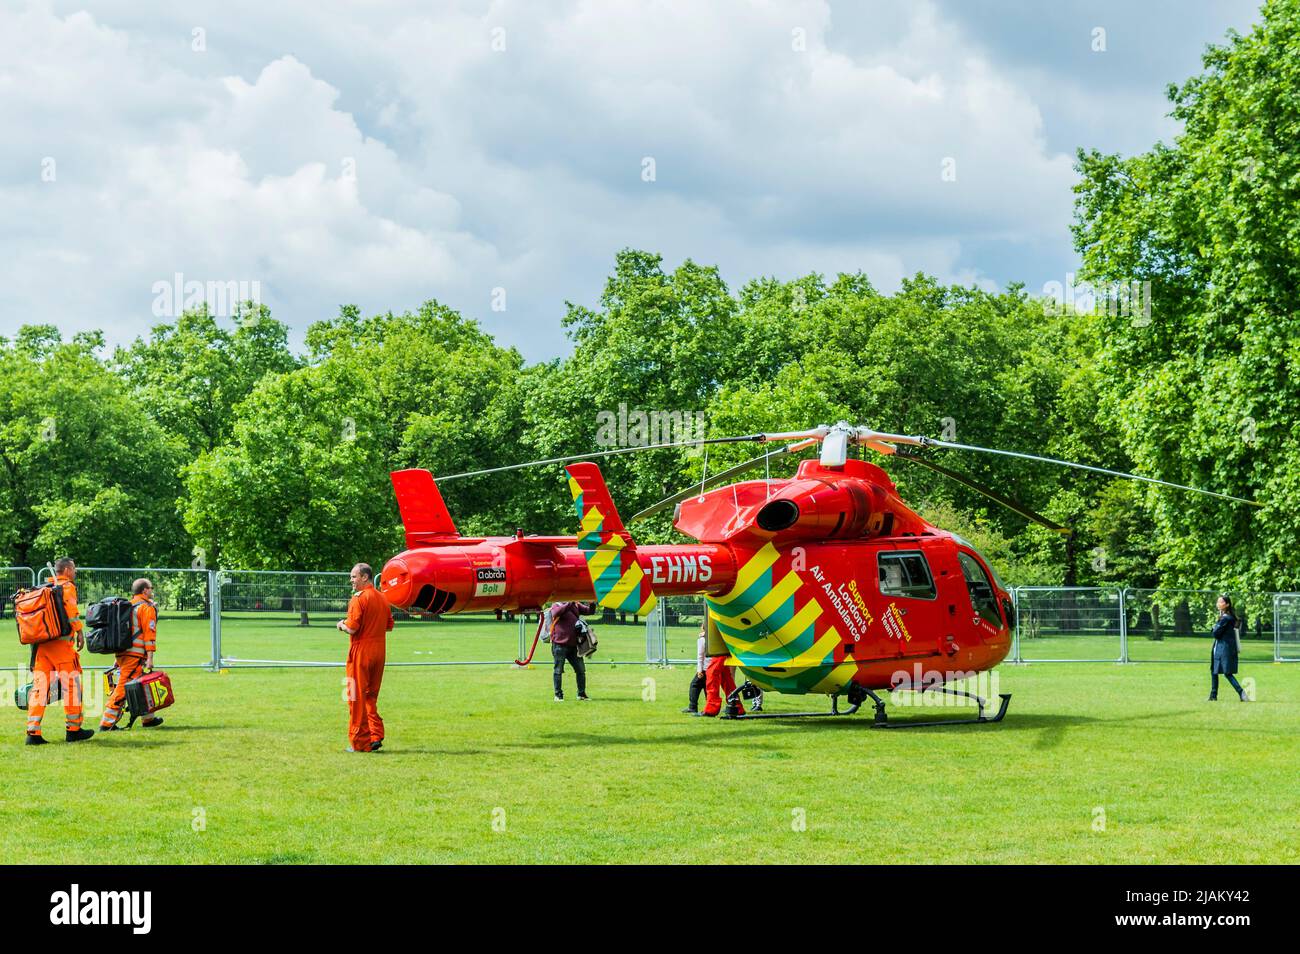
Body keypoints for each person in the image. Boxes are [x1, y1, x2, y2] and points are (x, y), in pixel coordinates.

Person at [26, 557, 94, 744]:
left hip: (42, 646)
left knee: (39, 689)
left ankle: (33, 733)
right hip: (62, 646)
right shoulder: (67, 587)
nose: (76, 572)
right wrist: (80, 631)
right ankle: (73, 730)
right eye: (74, 568)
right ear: (66, 569)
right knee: (71, 686)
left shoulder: (44, 588)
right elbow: (71, 612)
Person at [336, 563, 393, 752]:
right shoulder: (383, 598)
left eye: (354, 577)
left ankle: (360, 742)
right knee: (370, 696)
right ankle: (375, 735)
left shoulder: (358, 598)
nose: (351, 580)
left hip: (361, 651)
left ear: (365, 578)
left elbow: (352, 628)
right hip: (379, 651)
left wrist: (341, 624)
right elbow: (388, 625)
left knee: (353, 695)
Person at [100, 578, 163, 731]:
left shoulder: (128, 606)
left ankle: (148, 719)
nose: (152, 590)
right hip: (135, 655)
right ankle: (107, 723)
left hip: (123, 653)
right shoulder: (146, 607)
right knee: (122, 688)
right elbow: (149, 634)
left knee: (142, 685)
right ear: (144, 590)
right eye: (151, 588)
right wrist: (150, 658)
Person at [548, 600, 595, 701]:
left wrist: (592, 603)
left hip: (573, 645)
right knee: (558, 670)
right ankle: (558, 695)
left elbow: (590, 611)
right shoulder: (557, 604)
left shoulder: (576, 605)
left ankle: (581, 694)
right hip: (559, 645)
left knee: (581, 670)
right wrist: (569, 602)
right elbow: (556, 613)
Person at [701, 616, 746, 718]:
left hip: (723, 645)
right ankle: (737, 706)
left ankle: (712, 708)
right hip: (727, 643)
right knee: (726, 678)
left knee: (712, 673)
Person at [1208, 594, 1248, 702]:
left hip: (1224, 648)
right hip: (1219, 647)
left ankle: (1242, 693)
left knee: (1227, 673)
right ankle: (1213, 695)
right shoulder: (1224, 617)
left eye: (1220, 602)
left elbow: (1216, 633)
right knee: (1214, 671)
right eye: (1218, 601)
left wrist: (1215, 627)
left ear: (1227, 604)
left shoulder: (1227, 618)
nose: (1218, 604)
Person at [682, 623, 708, 714]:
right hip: (713, 667)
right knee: (707, 687)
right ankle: (709, 706)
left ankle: (692, 707)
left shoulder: (702, 640)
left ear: (703, 628)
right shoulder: (713, 638)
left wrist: (699, 670)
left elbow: (700, 656)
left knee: (694, 685)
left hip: (705, 668)